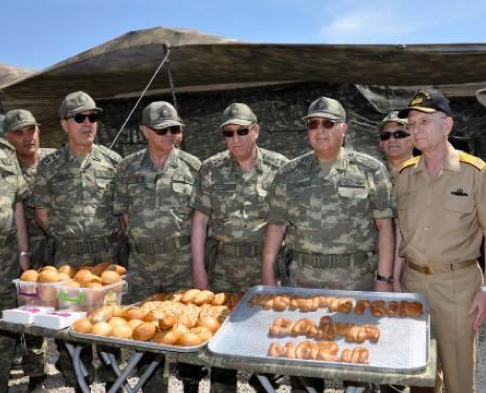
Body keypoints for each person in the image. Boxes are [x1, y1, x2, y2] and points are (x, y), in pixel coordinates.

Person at [262, 97, 395, 392]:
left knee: (357, 363)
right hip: (302, 283)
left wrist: (384, 281)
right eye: (313, 124)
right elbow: (275, 227)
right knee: (303, 363)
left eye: (328, 123)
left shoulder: (369, 169)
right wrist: (269, 280)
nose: (320, 130)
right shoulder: (289, 173)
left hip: (355, 283)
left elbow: (385, 227)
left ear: (344, 129)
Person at [190, 103, 288, 393]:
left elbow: (288, 222)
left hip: (266, 267)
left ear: (255, 131)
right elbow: (199, 221)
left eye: (242, 131)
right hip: (223, 269)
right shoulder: (211, 168)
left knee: (266, 336)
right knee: (221, 341)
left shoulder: (280, 167)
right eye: (229, 133)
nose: (236, 139)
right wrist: (199, 271)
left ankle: (265, 384)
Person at [394, 88, 486, 393]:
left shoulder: (475, 173)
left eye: (424, 122)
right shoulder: (406, 175)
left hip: (457, 286)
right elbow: (400, 233)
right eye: (411, 124)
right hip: (412, 283)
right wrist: (394, 281)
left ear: (447, 125)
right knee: (421, 377)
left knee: (459, 379)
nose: (415, 129)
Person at [31, 91, 123, 391]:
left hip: (107, 257)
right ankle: (77, 381)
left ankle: (114, 380)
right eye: (80, 118)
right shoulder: (49, 165)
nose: (88, 123)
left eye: (93, 117)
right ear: (64, 124)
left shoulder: (113, 161)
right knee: (70, 327)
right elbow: (42, 213)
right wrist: (67, 236)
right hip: (67, 260)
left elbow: (123, 214)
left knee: (109, 324)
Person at [114, 101, 202, 393]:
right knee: (146, 330)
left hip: (182, 262)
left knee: (189, 328)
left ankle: (191, 385)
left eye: (175, 129)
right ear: (144, 131)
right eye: (162, 129)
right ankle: (154, 386)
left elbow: (201, 217)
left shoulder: (193, 167)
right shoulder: (127, 168)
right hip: (143, 266)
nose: (169, 134)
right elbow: (124, 214)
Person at [2, 109, 55, 392]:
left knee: (51, 309)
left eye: (31, 130)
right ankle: (23, 365)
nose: (28, 138)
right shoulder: (7, 166)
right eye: (19, 133)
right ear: (7, 139)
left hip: (53, 248)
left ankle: (48, 368)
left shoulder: (53, 161)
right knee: (20, 308)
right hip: (19, 251)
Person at [0, 121, 31, 393]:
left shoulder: (6, 155)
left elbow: (18, 204)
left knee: (6, 327)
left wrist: (23, 254)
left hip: (7, 257)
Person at [378, 110, 413, 181]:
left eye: (399, 134)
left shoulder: (430, 171)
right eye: (386, 135)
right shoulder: (369, 173)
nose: (391, 140)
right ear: (380, 143)